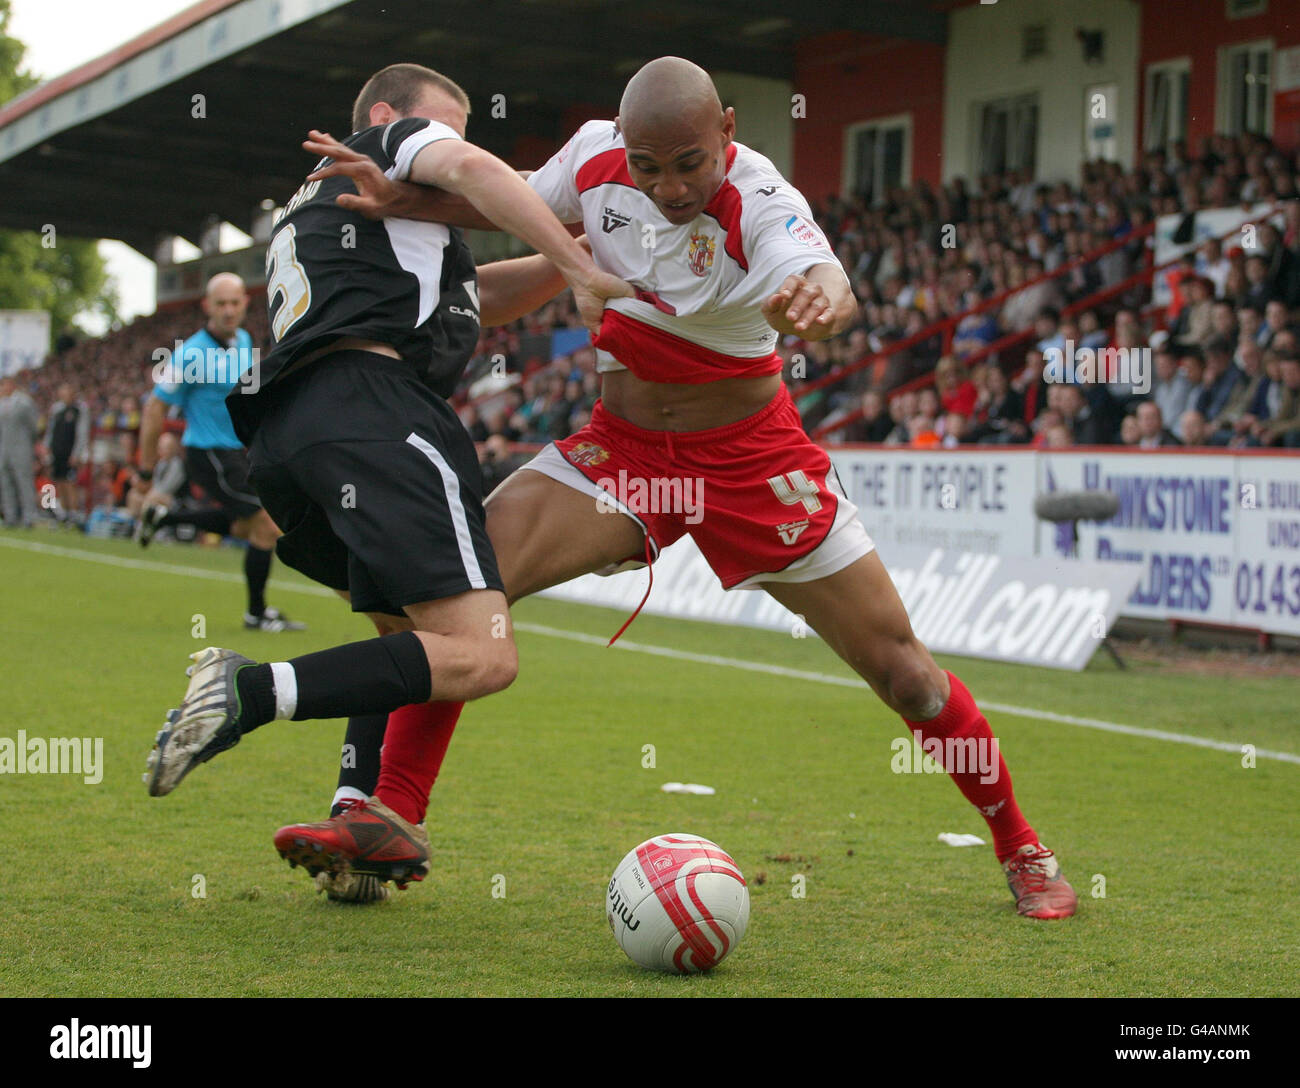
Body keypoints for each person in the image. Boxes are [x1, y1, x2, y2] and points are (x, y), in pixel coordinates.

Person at [296, 57, 1078, 920]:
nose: (669, 188)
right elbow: (503, 198)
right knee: (455, 596)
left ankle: (1023, 847)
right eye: (649, 167)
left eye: (690, 164)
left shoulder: (762, 200)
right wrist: (401, 199)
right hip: (621, 452)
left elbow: (827, 280)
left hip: (751, 461)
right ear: (623, 149)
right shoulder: (595, 158)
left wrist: (821, 303)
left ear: (729, 135)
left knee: (906, 677)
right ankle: (391, 817)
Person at [144, 64, 631, 903]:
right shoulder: (384, 144)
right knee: (482, 654)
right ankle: (250, 689)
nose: (455, 148)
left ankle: (359, 817)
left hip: (294, 433)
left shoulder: (353, 223)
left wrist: (567, 261)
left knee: (403, 633)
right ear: (384, 116)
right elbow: (479, 176)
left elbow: (482, 295)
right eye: (446, 129)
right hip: (375, 411)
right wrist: (577, 260)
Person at [135, 273, 305, 632]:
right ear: (207, 306)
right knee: (267, 525)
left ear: (245, 302)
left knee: (245, 527)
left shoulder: (245, 341)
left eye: (234, 302)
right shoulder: (190, 354)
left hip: (237, 452)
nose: (228, 310)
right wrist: (146, 472)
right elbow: (154, 409)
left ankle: (165, 518)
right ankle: (256, 615)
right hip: (208, 453)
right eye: (220, 303)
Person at [44, 383, 89, 523]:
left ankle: (74, 513)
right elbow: (51, 429)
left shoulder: (80, 409)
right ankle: (64, 513)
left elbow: (82, 432)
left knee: (70, 482)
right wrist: (47, 446)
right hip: (57, 450)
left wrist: (77, 453)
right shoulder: (57, 409)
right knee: (60, 481)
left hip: (70, 451)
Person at [0, 376, 40, 528]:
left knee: (24, 483)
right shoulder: (1, 404)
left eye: (2, 385)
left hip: (21, 449)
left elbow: (33, 426)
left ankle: (29, 517)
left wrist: (29, 444)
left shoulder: (24, 403)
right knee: (6, 483)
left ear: (11, 385)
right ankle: (10, 517)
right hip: (4, 450)